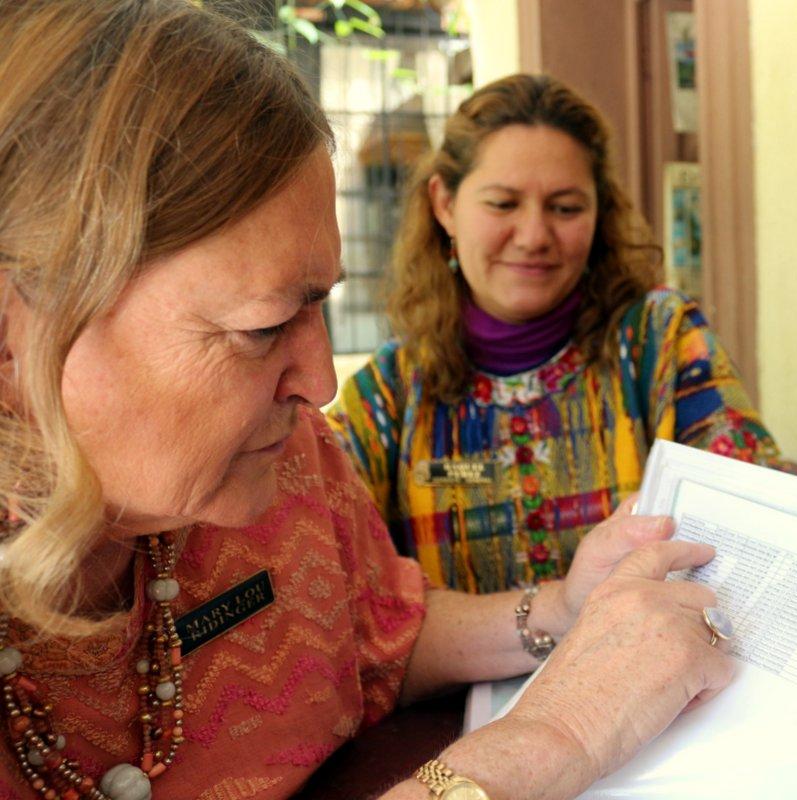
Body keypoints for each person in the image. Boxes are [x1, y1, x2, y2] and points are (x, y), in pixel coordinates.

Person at [0, 3, 733, 798]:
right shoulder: (390, 389)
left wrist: (563, 606)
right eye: (262, 327)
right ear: (15, 328)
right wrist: (557, 734)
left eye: (565, 206)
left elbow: (378, 634)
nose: (320, 386)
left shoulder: (290, 469)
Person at [328, 73, 780, 594]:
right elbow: (315, 551)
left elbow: (758, 524)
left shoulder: (660, 342)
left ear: (599, 212)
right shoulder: (389, 395)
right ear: (445, 205)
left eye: (565, 208)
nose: (534, 236)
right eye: (503, 204)